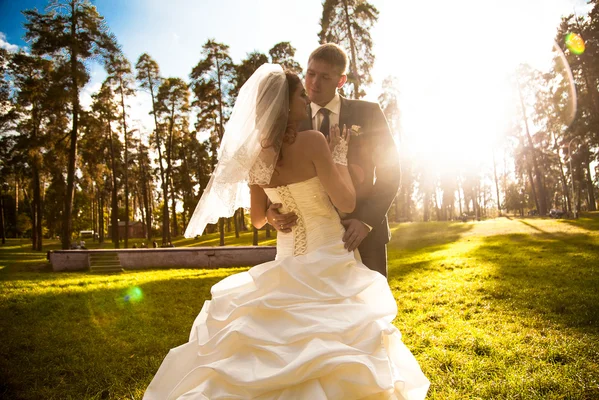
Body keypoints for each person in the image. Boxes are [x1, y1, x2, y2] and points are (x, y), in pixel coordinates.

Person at [143, 64, 429, 399]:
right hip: (327, 251)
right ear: (285, 104)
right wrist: (338, 157)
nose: (305, 98)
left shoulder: (256, 156)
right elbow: (346, 202)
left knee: (276, 335)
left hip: (288, 253)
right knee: (334, 333)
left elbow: (257, 219)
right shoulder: (313, 142)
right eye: (299, 95)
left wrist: (272, 212)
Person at [267, 43, 399, 278]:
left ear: (341, 81)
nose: (314, 83)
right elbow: (275, 173)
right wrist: (271, 213)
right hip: (314, 242)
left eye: (325, 77)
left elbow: (391, 173)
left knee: (369, 310)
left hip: (364, 236)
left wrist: (366, 221)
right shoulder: (290, 119)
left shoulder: (368, 113)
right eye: (311, 74)